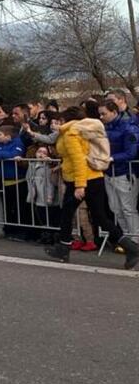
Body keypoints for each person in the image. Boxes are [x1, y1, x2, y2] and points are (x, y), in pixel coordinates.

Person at [46, 108, 139, 268]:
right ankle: (130, 247)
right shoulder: (82, 130)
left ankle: (63, 246)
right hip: (93, 177)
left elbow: (79, 160)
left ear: (67, 120)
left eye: (61, 120)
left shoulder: (71, 134)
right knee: (99, 217)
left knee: (68, 214)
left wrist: (80, 185)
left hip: (80, 179)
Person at [98, 101, 139, 238]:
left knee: (128, 209)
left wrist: (111, 158)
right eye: (100, 114)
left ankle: (135, 238)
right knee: (115, 208)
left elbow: (131, 152)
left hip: (124, 173)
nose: (101, 117)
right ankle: (127, 237)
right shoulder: (105, 128)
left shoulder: (129, 127)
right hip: (109, 173)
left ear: (114, 112)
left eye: (104, 113)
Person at [0, 126, 27, 239]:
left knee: (19, 208)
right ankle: (10, 230)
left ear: (8, 136)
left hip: (18, 180)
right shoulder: (0, 145)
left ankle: (21, 232)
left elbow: (13, 154)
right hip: (4, 180)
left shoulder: (18, 143)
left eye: (0, 134)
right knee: (8, 207)